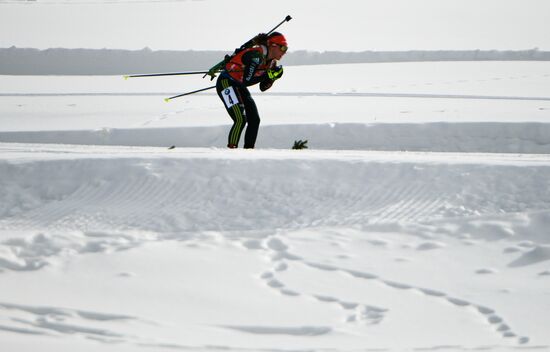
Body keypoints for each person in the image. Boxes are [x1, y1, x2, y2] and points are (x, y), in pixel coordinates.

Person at [216, 32, 288, 149]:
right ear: (273, 45)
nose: (284, 52)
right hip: (226, 82)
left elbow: (262, 88)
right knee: (240, 119)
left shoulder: (272, 63)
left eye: (286, 49)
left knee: (254, 120)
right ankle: (231, 151)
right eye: (283, 47)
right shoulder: (256, 55)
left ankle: (248, 153)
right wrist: (267, 76)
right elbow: (247, 80)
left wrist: (272, 78)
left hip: (239, 85)